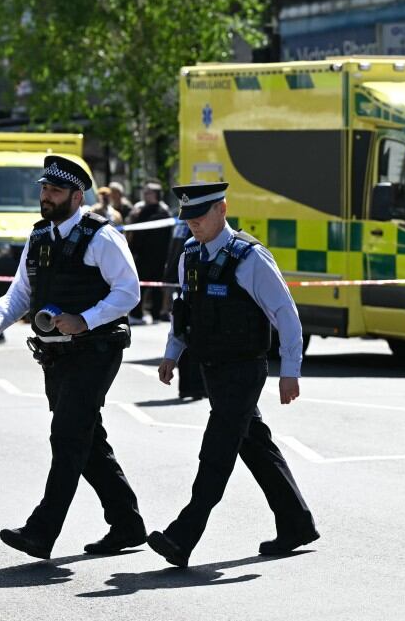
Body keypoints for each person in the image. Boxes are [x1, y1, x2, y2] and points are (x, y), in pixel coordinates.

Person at [0, 155, 145, 560]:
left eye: (53, 190)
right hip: (55, 355)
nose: (45, 197)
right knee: (87, 442)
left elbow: (129, 292)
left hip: (96, 351)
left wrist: (84, 320)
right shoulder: (39, 237)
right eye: (43, 189)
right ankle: (127, 523)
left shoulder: (101, 237)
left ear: (76, 194)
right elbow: (20, 291)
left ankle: (41, 531)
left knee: (67, 438)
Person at [147, 182, 315, 568]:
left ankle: (182, 536)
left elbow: (286, 316)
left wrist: (290, 371)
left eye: (200, 216)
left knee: (217, 450)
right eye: (187, 218)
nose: (193, 225)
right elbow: (184, 312)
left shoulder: (249, 258)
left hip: (244, 368)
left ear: (222, 209)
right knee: (255, 444)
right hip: (211, 367)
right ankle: (297, 523)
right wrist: (172, 354)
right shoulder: (190, 255)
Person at [164, 215, 204, 400]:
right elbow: (182, 307)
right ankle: (189, 388)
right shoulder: (190, 249)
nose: (193, 223)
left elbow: (283, 311)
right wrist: (170, 355)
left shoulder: (245, 253)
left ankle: (192, 388)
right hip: (195, 319)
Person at [127, 182, 172, 324]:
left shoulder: (163, 212)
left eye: (149, 193)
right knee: (140, 285)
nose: (146, 196)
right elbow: (136, 233)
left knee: (156, 287)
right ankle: (136, 314)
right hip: (142, 255)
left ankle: (156, 314)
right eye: (145, 193)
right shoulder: (141, 211)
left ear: (156, 195)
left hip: (158, 256)